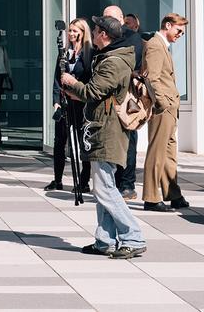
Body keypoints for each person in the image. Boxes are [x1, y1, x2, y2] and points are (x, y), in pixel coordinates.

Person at [59, 16, 146, 259]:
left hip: (108, 131)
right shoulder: (109, 57)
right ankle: (105, 239)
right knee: (103, 188)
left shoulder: (114, 62)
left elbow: (92, 91)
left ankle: (133, 236)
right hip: (102, 128)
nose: (92, 34)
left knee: (105, 188)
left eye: (95, 30)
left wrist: (71, 82)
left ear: (104, 35)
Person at [142, 13, 189, 212]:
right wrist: (162, 103)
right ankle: (151, 197)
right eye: (178, 30)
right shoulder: (155, 44)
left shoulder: (161, 45)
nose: (180, 35)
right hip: (164, 107)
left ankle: (173, 194)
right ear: (167, 25)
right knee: (157, 151)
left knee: (169, 152)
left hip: (169, 106)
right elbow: (151, 79)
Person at [48, 18, 92, 192]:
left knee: (83, 142)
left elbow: (89, 78)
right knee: (59, 142)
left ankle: (84, 182)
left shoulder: (90, 53)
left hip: (81, 103)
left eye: (75, 31)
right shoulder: (64, 52)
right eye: (70, 30)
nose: (71, 34)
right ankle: (57, 180)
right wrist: (56, 102)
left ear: (83, 32)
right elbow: (56, 79)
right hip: (65, 103)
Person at [104, 6, 143, 201]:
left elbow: (129, 65)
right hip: (106, 100)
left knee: (128, 142)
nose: (107, 21)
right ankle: (113, 183)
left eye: (110, 18)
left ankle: (127, 185)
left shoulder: (131, 37)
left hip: (126, 99)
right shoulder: (103, 37)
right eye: (105, 18)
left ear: (120, 19)